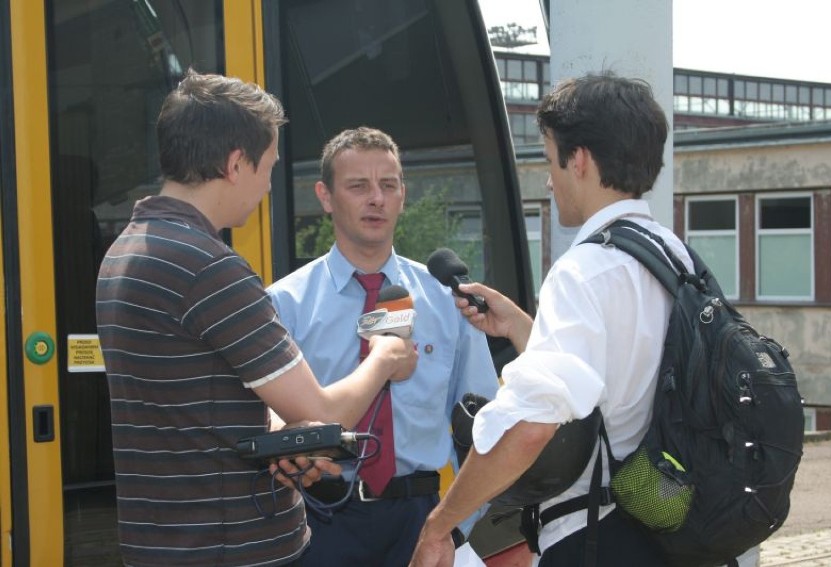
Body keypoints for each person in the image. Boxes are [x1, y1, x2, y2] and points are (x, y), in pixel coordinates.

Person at [95, 71, 417, 567]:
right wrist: (386, 356)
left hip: (160, 542)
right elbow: (325, 414)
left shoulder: (127, 250)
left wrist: (279, 441)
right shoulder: (209, 267)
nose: (268, 185)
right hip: (231, 548)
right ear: (235, 164)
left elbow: (194, 406)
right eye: (268, 167)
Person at [409, 72, 687, 567]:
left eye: (549, 156)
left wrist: (441, 523)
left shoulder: (583, 271)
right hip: (669, 528)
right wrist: (520, 326)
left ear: (577, 160)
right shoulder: (673, 257)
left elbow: (531, 426)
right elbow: (617, 381)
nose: (548, 177)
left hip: (599, 537)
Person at [266, 126, 500, 566]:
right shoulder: (284, 304)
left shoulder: (446, 302)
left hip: (421, 521)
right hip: (320, 520)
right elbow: (266, 416)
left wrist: (457, 527)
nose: (376, 198)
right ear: (325, 196)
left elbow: (486, 427)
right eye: (358, 186)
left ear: (402, 196)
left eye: (388, 186)